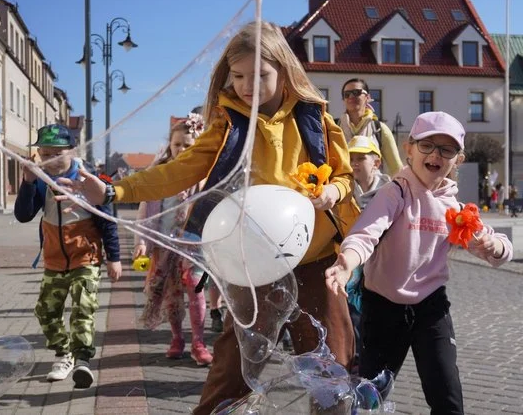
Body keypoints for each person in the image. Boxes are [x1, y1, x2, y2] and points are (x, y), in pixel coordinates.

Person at [58, 21, 359, 414]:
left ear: (284, 71)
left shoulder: (315, 119)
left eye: (260, 75)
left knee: (331, 369)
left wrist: (333, 192)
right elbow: (177, 171)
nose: (248, 86)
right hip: (254, 265)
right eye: (238, 76)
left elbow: (344, 176)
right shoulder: (227, 126)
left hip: (317, 261)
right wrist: (114, 191)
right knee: (232, 370)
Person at [325, 111, 513, 414]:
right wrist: (347, 263)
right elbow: (365, 234)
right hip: (383, 307)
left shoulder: (455, 208)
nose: (435, 154)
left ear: (458, 160)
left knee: (448, 398)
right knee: (370, 396)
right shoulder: (394, 192)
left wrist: (496, 246)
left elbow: (493, 247)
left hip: (431, 308)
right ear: (409, 149)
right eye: (427, 145)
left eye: (446, 149)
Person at [13, 123, 122, 388]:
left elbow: (108, 220)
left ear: (72, 151)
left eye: (57, 154)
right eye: (44, 154)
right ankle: (65, 354)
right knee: (46, 312)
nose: (50, 160)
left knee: (83, 307)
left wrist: (114, 257)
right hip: (54, 259)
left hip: (86, 256)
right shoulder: (40, 178)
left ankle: (82, 360)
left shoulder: (89, 177)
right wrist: (28, 183)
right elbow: (24, 215)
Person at [132, 115, 213, 366]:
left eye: (188, 145)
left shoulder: (205, 173)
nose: (181, 149)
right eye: (177, 144)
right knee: (171, 295)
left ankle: (199, 342)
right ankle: (177, 337)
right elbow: (146, 211)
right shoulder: (160, 173)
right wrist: (142, 241)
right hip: (166, 247)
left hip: (196, 247)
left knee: (197, 289)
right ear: (170, 144)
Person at [345, 135, 390, 368]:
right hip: (352, 262)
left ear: (376, 163)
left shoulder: (391, 191)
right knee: (352, 311)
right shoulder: (343, 190)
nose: (354, 163)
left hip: (382, 264)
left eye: (360, 158)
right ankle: (356, 359)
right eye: (351, 158)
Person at [338, 78, 403, 176]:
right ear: (343, 100)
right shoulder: (335, 127)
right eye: (346, 94)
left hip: (372, 185)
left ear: (367, 97)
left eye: (356, 92)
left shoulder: (379, 129)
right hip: (342, 184)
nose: (351, 96)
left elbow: (396, 169)